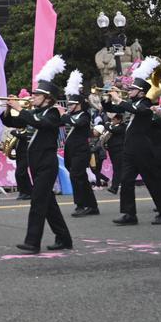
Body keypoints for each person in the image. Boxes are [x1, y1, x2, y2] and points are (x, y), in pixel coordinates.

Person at [1, 56, 73, 253]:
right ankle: (64, 238)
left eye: (37, 95)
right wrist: (9, 109)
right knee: (48, 203)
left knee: (38, 203)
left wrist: (20, 109)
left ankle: (32, 242)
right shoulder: (34, 113)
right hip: (36, 164)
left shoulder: (53, 113)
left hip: (47, 163)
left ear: (48, 98)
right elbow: (11, 123)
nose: (33, 97)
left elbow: (42, 124)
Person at [102, 57, 161, 225]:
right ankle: (129, 214)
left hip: (142, 149)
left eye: (133, 89)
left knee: (151, 181)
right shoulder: (133, 104)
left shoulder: (146, 104)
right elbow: (114, 109)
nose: (129, 91)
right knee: (126, 181)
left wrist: (120, 99)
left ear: (141, 92)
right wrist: (107, 101)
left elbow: (136, 109)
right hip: (130, 149)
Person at [62, 70, 99, 217]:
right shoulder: (70, 115)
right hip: (71, 151)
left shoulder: (84, 115)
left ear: (78, 104)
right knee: (80, 178)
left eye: (71, 104)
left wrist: (64, 116)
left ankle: (81, 204)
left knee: (76, 177)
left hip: (81, 151)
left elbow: (77, 124)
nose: (69, 106)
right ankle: (92, 206)